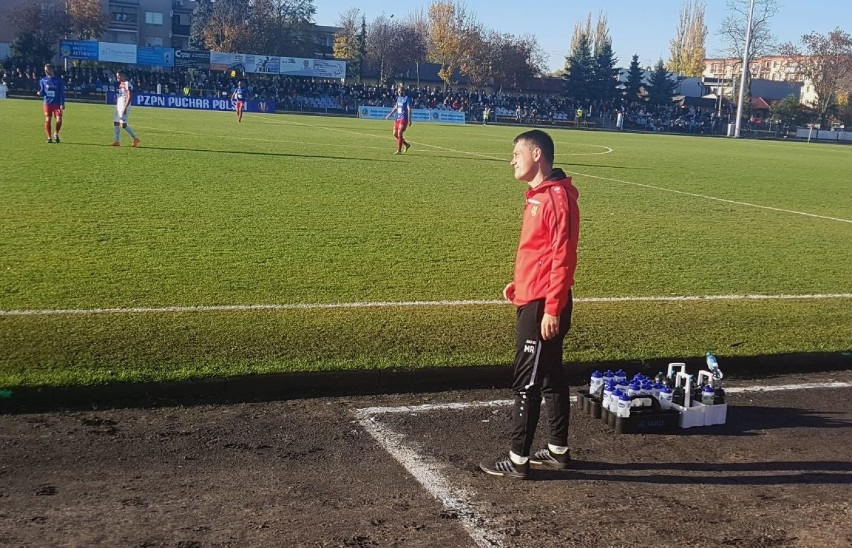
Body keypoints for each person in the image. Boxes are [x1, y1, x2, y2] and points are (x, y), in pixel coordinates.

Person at [480, 129, 580, 480]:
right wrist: (520, 285)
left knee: (526, 381)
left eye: (517, 154)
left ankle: (518, 459)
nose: (512, 160)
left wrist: (551, 306)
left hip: (543, 305)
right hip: (535, 295)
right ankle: (557, 451)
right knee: (552, 376)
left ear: (537, 154)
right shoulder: (539, 196)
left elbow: (563, 257)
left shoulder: (555, 197)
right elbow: (538, 254)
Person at [37, 64, 65, 143]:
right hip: (47, 103)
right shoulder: (43, 80)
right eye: (44, 70)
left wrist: (62, 103)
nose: (45, 71)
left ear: (51, 70)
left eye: (46, 70)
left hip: (57, 103)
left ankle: (56, 133)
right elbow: (42, 91)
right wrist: (39, 93)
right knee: (48, 119)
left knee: (59, 120)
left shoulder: (59, 80)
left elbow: (62, 93)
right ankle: (49, 137)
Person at [111, 70, 140, 147]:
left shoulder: (127, 84)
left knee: (123, 124)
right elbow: (122, 95)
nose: (117, 78)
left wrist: (125, 107)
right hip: (119, 105)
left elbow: (130, 95)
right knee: (116, 122)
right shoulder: (121, 84)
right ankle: (117, 141)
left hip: (124, 105)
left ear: (123, 76)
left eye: (119, 76)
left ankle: (135, 138)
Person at [384, 86, 412, 154]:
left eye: (400, 91)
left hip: (404, 119)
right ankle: (406, 144)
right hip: (398, 119)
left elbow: (409, 109)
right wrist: (389, 114)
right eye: (398, 91)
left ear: (403, 91)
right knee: (395, 134)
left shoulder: (407, 98)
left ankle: (399, 150)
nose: (399, 93)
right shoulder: (398, 98)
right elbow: (396, 108)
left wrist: (409, 119)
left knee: (399, 133)